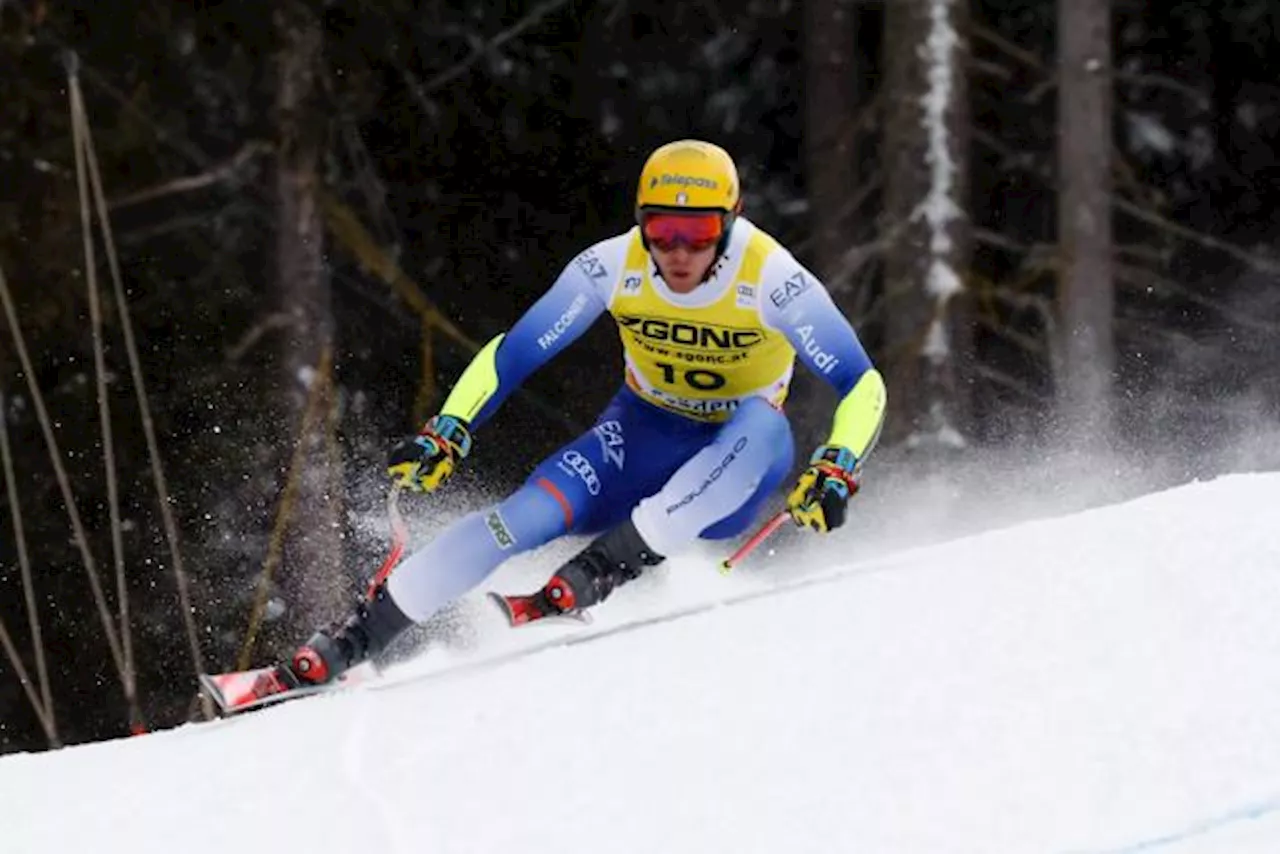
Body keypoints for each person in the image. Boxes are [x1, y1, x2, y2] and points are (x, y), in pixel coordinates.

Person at [287, 139, 887, 687]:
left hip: (735, 463)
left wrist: (838, 463)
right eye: (661, 230)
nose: (679, 252)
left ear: (732, 222)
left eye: (699, 233)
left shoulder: (774, 278)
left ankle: (603, 567)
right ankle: (356, 637)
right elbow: (516, 351)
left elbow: (861, 383)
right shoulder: (610, 266)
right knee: (517, 520)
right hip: (637, 434)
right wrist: (449, 429)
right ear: (639, 222)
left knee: (763, 424)